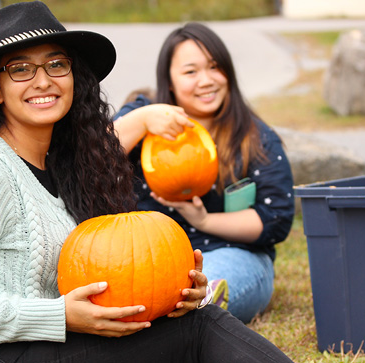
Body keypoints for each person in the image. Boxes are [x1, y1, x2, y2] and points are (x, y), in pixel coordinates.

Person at [0, 2, 295, 362]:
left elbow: (106, 270)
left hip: (44, 345)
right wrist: (58, 315)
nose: (43, 80)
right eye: (21, 68)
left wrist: (176, 293)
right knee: (200, 329)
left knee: (193, 317)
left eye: (56, 65)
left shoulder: (61, 166)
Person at [113, 22, 295, 323]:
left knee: (204, 286)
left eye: (214, 67)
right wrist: (142, 120)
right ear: (169, 81)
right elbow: (93, 157)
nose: (206, 81)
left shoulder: (254, 137)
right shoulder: (144, 114)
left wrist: (205, 220)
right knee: (148, 288)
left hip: (233, 254)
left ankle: (196, 311)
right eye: (190, 72)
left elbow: (274, 218)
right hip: (148, 259)